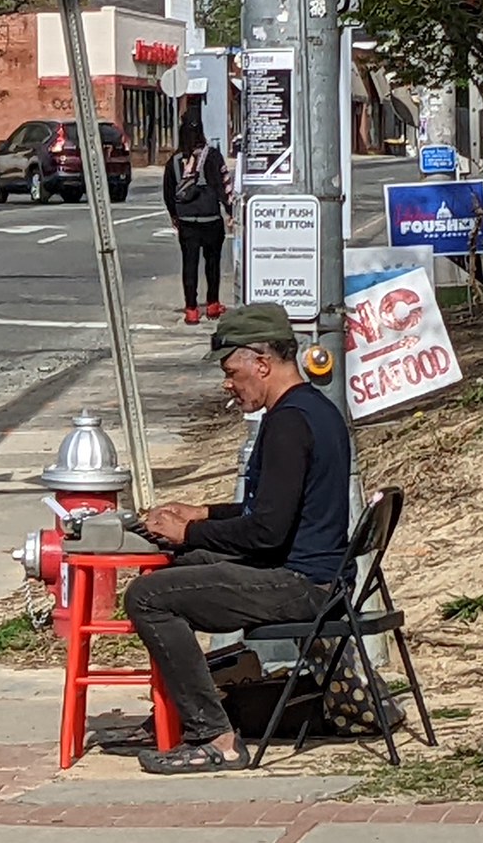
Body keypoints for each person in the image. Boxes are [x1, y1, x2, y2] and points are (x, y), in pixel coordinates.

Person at [123, 303, 351, 774]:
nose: (228, 384)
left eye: (232, 372)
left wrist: (188, 530)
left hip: (302, 583)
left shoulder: (288, 423)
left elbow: (266, 532)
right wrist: (202, 515)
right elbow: (273, 510)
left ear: (262, 363)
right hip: (319, 574)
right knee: (185, 565)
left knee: (148, 596)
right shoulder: (314, 410)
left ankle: (215, 736)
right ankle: (174, 714)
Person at [163, 121, 234, 326]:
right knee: (212, 263)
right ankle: (212, 304)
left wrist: (175, 215)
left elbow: (169, 191)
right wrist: (230, 211)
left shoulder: (175, 160)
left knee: (189, 264)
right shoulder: (212, 156)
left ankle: (192, 309)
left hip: (187, 221)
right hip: (211, 218)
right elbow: (224, 185)